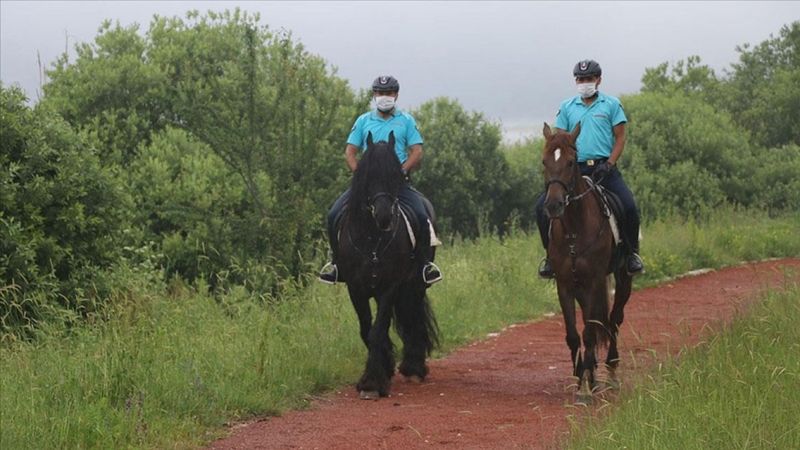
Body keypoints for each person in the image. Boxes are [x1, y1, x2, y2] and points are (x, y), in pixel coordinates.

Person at [319, 75, 442, 286]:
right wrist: (361, 175)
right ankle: (337, 264)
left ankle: (425, 266)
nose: (384, 96)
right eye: (380, 93)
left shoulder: (406, 121)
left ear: (396, 95)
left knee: (423, 216)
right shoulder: (363, 121)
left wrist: (402, 170)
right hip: (368, 186)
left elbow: (417, 151)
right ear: (374, 95)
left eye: (388, 93)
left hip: (397, 184)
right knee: (333, 215)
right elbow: (350, 152)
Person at [536, 59, 644, 278]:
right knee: (541, 207)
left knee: (629, 206)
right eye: (580, 79)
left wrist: (610, 163)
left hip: (605, 169)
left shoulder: (611, 104)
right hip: (574, 171)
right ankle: (550, 258)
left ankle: (631, 254)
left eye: (589, 78)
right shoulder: (567, 107)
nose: (584, 82)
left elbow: (620, 138)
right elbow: (561, 142)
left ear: (598, 80)